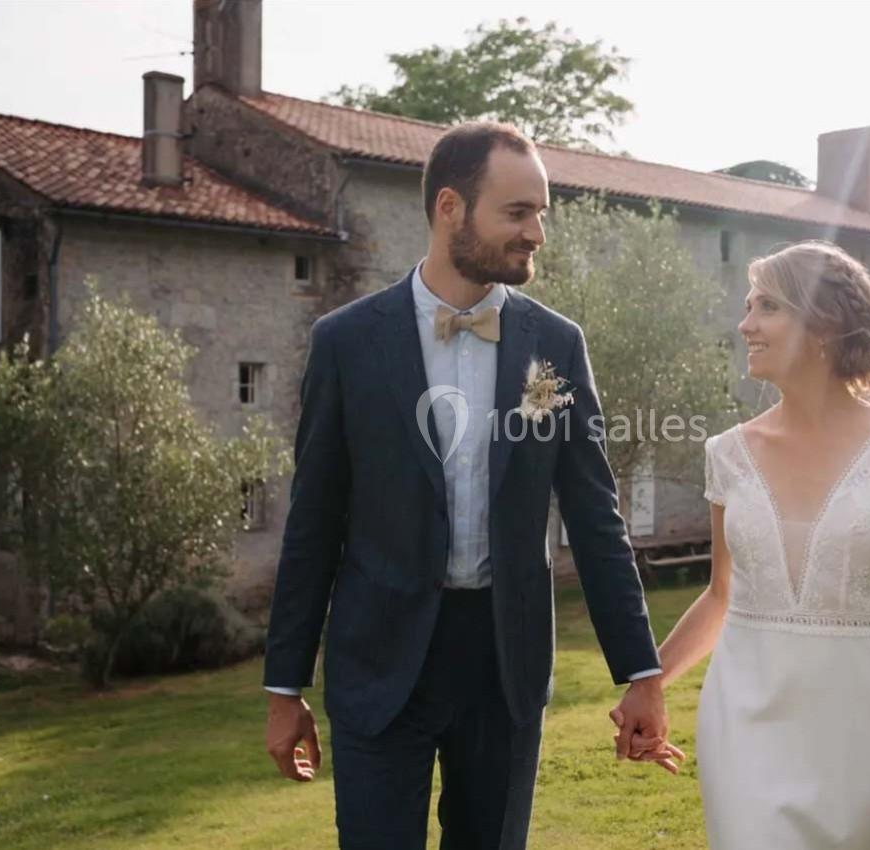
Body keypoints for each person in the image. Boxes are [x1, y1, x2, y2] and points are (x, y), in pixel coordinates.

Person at [263, 122, 672, 850]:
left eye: (541, 212)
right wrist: (284, 686)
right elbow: (314, 521)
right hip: (379, 665)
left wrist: (641, 673)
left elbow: (595, 516)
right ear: (450, 207)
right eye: (517, 212)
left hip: (504, 666)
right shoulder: (346, 342)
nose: (536, 232)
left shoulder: (556, 345)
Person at [615, 241, 870, 849]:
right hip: (744, 729)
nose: (745, 324)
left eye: (767, 306)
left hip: (866, 733)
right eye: (748, 306)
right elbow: (721, 595)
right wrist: (649, 682)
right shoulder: (727, 454)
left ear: (824, 325)